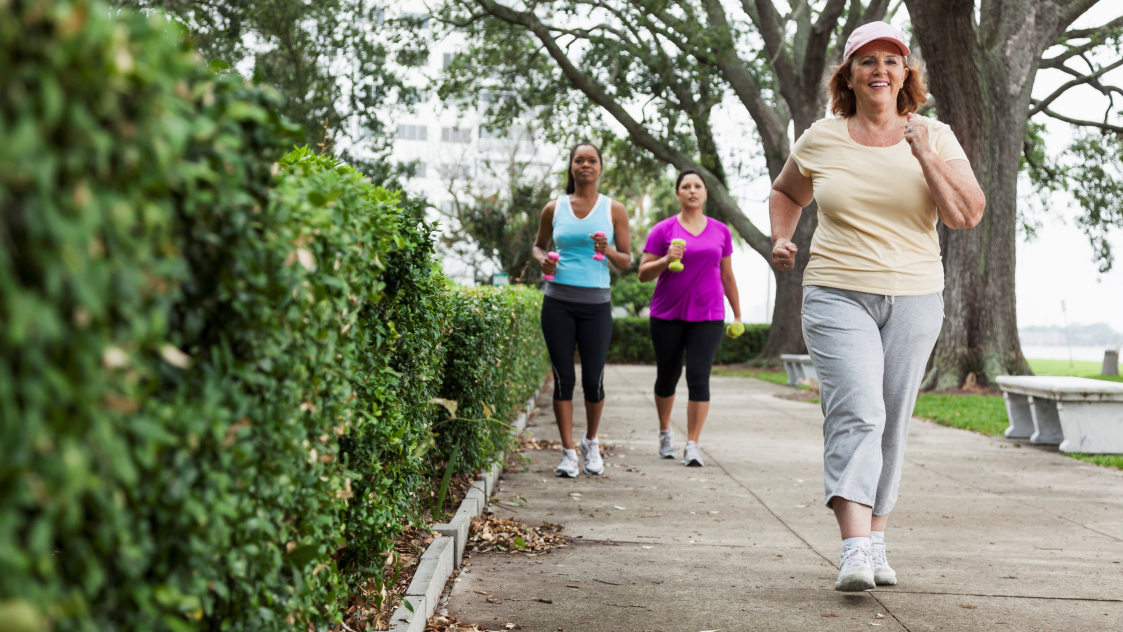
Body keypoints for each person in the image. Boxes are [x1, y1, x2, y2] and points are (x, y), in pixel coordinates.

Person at [769, 21, 985, 592]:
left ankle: (877, 540)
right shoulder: (820, 136)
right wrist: (781, 238)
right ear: (849, 74)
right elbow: (787, 192)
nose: (880, 70)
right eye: (868, 60)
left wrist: (923, 154)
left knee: (892, 419)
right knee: (857, 412)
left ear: (906, 74)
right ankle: (853, 549)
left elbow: (966, 215)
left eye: (892, 60)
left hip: (916, 295)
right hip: (836, 291)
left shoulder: (934, 136)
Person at [533, 143, 632, 478]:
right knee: (564, 379)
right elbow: (538, 246)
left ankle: (591, 441)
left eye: (592, 160)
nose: (585, 165)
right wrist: (541, 259)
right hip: (557, 303)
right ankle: (567, 452)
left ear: (600, 168)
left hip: (596, 306)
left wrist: (608, 250)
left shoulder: (613, 209)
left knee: (593, 381)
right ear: (572, 167)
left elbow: (627, 260)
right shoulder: (554, 208)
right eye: (579, 160)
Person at [638, 170, 742, 467]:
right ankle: (664, 431)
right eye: (686, 186)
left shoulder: (721, 231)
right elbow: (643, 274)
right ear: (678, 194)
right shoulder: (663, 229)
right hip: (667, 314)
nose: (692, 190)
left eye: (697, 186)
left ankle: (693, 444)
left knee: (699, 376)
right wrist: (665, 259)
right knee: (667, 376)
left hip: (708, 314)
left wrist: (737, 312)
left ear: (706, 193)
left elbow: (727, 275)